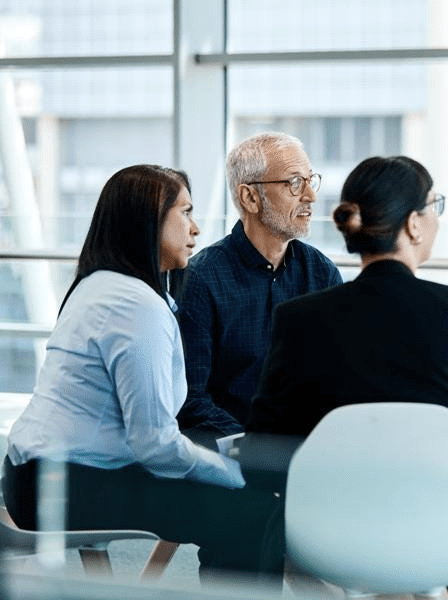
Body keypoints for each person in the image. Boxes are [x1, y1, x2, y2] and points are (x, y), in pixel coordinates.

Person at [243, 155, 448, 599]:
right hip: (446, 529)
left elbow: (261, 455)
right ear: (413, 224)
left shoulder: (300, 320)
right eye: (435, 207)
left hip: (329, 535)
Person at [3, 165, 284, 585]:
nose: (195, 228)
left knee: (228, 482)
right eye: (185, 213)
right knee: (251, 507)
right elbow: (154, 444)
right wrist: (229, 470)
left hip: (36, 474)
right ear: (149, 221)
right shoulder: (136, 306)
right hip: (64, 485)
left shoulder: (100, 283)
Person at [171, 132, 342, 447]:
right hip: (232, 458)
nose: (310, 196)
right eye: (293, 183)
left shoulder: (322, 273)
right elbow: (191, 398)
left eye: (310, 180)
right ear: (249, 198)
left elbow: (338, 381)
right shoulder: (202, 279)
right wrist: (250, 449)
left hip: (310, 454)